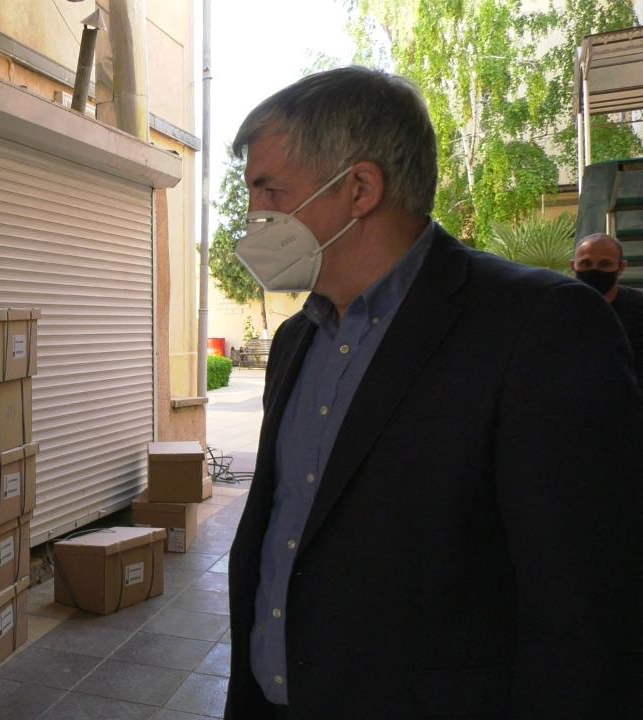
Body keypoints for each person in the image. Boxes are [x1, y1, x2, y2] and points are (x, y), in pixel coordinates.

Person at [223, 67, 643, 720]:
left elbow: (585, 613)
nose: (255, 215)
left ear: (359, 188)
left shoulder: (541, 328)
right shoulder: (295, 339)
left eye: (270, 189)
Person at [573, 231, 643, 382]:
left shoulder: (638, 308)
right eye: (586, 263)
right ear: (573, 266)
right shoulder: (559, 309)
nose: (594, 270)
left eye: (604, 264)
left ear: (621, 267)